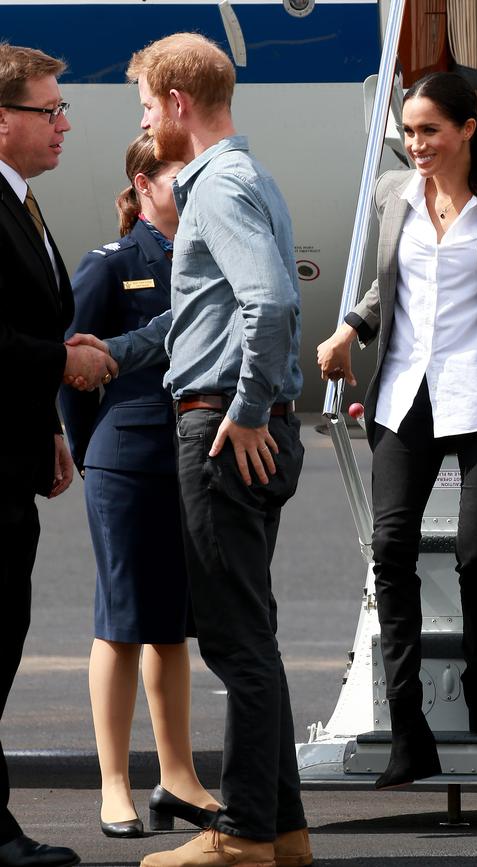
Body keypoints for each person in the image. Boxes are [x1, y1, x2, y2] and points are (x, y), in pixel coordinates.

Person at [67, 32, 312, 867]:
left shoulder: (214, 187)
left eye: (144, 106)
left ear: (175, 104)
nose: (142, 120)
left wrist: (244, 410)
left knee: (235, 640)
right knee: (254, 632)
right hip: (237, 419)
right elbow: (196, 319)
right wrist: (114, 351)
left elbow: (271, 306)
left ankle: (242, 835)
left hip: (222, 428)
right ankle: (282, 827)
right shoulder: (253, 180)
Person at [317, 71, 477, 790]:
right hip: (406, 396)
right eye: (408, 132)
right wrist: (349, 328)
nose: (416, 144)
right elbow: (388, 284)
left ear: (468, 128)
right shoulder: (393, 194)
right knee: (391, 549)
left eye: (429, 130)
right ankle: (410, 728)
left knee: (473, 551)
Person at [59, 133, 219, 839]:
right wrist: (88, 449)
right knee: (122, 622)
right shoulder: (112, 263)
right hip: (124, 459)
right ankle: (115, 782)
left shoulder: (208, 258)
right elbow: (72, 365)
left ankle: (178, 773)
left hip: (187, 457)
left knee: (173, 624)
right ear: (144, 181)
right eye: (181, 176)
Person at [0, 42, 116, 867]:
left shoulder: (21, 200)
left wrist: (45, 422)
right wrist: (61, 364)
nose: (64, 124)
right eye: (49, 109)